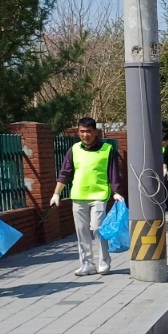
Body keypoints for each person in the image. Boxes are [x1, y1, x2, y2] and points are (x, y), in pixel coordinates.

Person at [50, 117, 123, 276]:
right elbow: (65, 173)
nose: (85, 135)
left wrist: (116, 192)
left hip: (99, 195)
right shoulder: (74, 149)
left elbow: (113, 174)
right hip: (78, 196)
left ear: (95, 132)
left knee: (97, 228)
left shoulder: (107, 149)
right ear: (78, 132)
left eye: (88, 131)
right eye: (82, 131)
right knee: (81, 230)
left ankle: (104, 260)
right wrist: (56, 193)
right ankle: (87, 264)